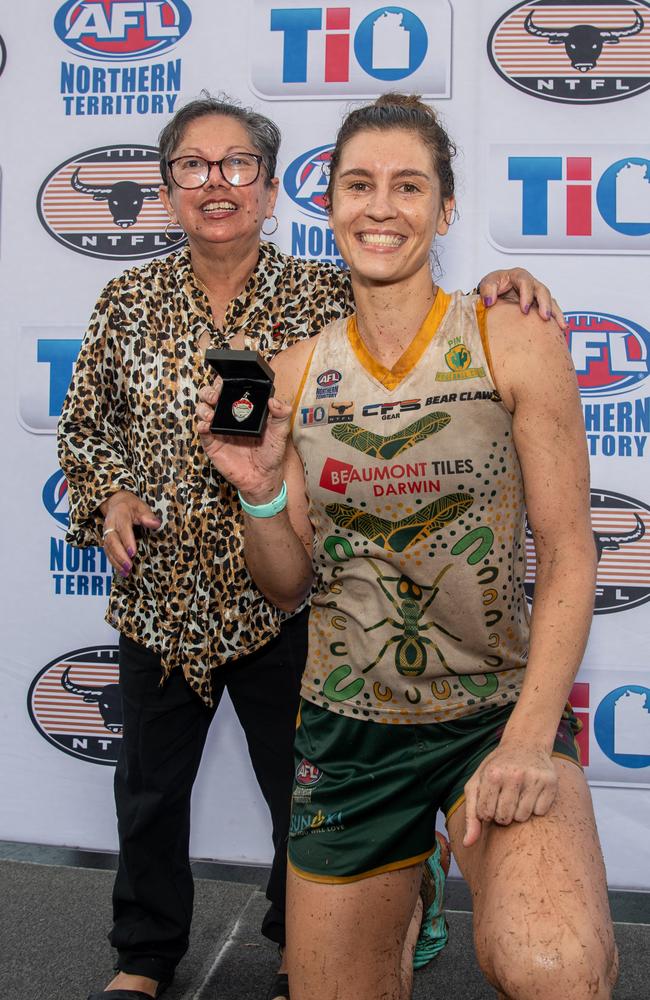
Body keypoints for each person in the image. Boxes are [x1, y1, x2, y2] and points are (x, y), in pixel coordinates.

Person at [58, 91, 566, 1000]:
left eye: (237, 165)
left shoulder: (323, 288)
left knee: (297, 798)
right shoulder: (124, 300)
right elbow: (85, 431)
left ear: (270, 188)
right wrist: (110, 495)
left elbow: (415, 311)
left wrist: (512, 282)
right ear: (169, 185)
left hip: (286, 604)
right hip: (170, 595)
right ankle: (145, 958)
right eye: (192, 167)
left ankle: (329, 931)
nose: (215, 183)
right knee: (147, 794)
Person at [197, 93, 618, 1000]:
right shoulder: (298, 372)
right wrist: (263, 489)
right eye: (358, 184)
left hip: (494, 717)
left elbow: (572, 548)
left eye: (408, 185)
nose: (380, 207)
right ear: (329, 201)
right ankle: (409, 869)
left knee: (560, 969)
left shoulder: (511, 335)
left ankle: (448, 835)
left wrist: (530, 739)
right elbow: (283, 586)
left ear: (446, 208)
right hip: (350, 732)